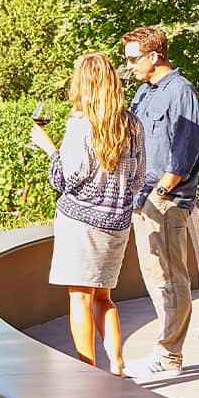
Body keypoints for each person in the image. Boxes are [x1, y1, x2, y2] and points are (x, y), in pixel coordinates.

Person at [31, 52, 146, 378]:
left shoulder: (80, 125)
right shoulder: (133, 124)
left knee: (80, 297)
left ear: (82, 83)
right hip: (117, 225)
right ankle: (118, 365)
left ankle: (87, 371)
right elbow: (138, 179)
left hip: (81, 224)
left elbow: (64, 178)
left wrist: (48, 148)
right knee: (103, 298)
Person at [123, 25, 199, 379]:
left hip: (165, 201)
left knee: (172, 276)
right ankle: (165, 348)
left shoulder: (181, 92)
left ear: (154, 57)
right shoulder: (143, 92)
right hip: (142, 197)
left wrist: (162, 192)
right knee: (156, 275)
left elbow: (185, 149)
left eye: (133, 59)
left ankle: (170, 354)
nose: (129, 66)